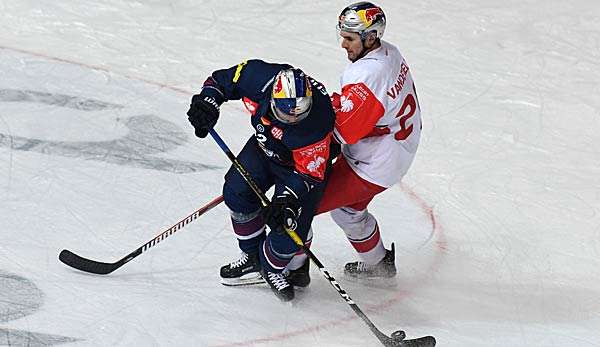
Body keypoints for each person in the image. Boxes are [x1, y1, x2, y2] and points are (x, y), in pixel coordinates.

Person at [286, 1, 422, 283]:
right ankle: (380, 267)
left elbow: (345, 132)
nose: (343, 45)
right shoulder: (389, 52)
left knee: (301, 207)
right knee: (348, 212)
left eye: (349, 38)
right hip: (397, 146)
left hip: (374, 162)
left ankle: (293, 271)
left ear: (370, 37)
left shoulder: (367, 74)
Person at [186, 60, 336, 301]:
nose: (292, 119)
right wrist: (208, 102)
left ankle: (271, 269)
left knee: (287, 227)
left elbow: (309, 174)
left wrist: (285, 201)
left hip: (301, 169)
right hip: (264, 149)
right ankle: (253, 257)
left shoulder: (317, 121)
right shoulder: (258, 76)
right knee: (236, 192)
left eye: (299, 113)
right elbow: (220, 81)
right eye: (286, 113)